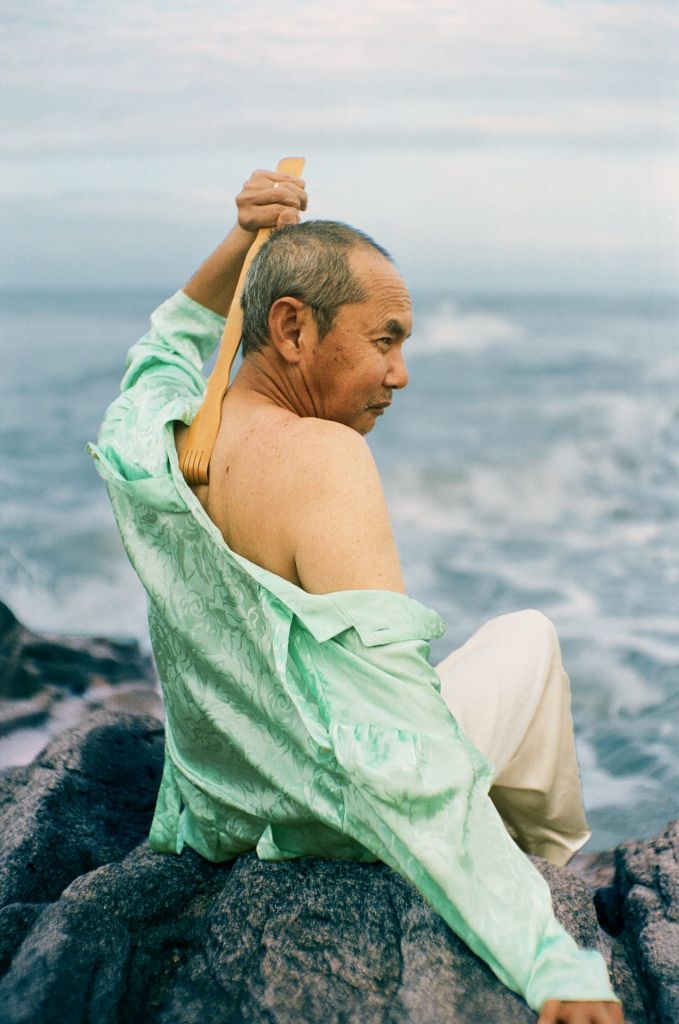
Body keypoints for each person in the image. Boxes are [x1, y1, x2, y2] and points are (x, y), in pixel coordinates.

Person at [89, 168, 624, 1022]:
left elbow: (163, 344)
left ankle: (531, 863)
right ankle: (550, 872)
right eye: (385, 340)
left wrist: (240, 238)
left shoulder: (151, 442)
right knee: (527, 640)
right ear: (292, 328)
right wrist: (546, 957)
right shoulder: (323, 458)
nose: (400, 374)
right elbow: (404, 746)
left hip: (220, 810)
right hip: (326, 814)